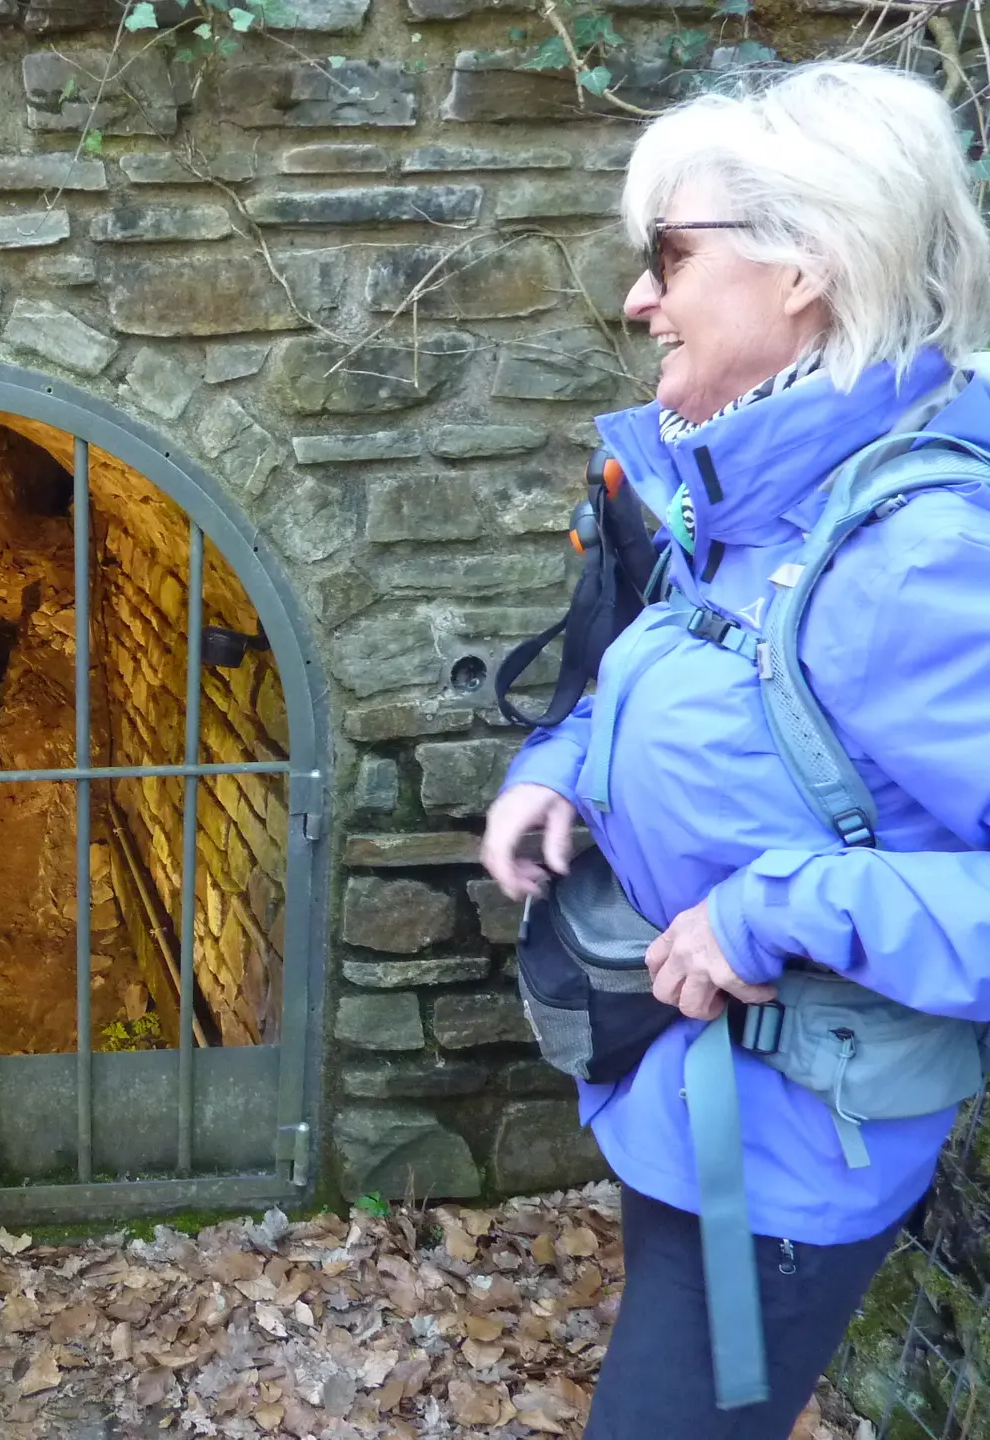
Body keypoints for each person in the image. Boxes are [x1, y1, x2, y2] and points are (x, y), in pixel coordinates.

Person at [481, 62, 990, 1438]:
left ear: (808, 269)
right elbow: (713, 681)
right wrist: (564, 761)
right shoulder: (767, 494)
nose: (640, 299)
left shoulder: (925, 556)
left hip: (789, 1158)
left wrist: (770, 912)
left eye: (667, 255)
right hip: (701, 1108)